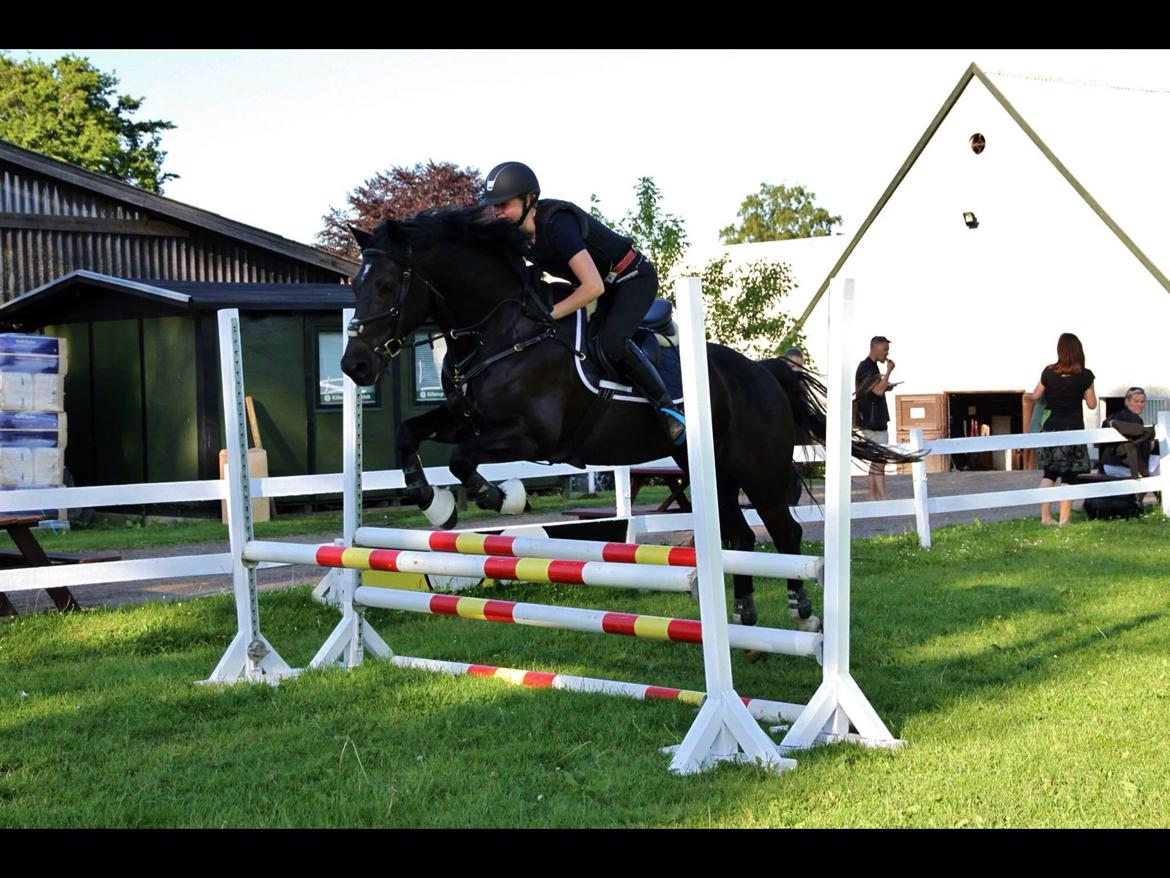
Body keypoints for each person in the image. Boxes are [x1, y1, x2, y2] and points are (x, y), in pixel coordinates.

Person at [479, 161, 685, 445]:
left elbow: (593, 286)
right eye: (494, 206)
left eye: (503, 204)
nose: (497, 212)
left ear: (530, 200)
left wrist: (551, 313)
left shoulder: (558, 224)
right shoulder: (518, 237)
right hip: (605, 288)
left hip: (632, 278)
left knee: (611, 343)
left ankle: (668, 410)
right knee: (584, 345)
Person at [1032, 333, 1096, 526]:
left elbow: (1035, 395)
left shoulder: (1048, 372)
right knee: (1069, 474)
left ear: (1060, 350)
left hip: (1051, 429)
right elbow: (1092, 404)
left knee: (1049, 473)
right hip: (1073, 429)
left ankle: (1045, 517)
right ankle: (1064, 519)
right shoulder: (1085, 375)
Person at [855, 336, 896, 500]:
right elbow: (878, 391)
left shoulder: (870, 367)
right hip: (872, 421)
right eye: (885, 350)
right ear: (875, 348)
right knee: (880, 460)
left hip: (872, 419)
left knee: (875, 460)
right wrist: (889, 372)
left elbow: (875, 390)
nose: (886, 354)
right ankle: (883, 498)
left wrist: (886, 384)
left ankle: (873, 497)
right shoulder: (867, 368)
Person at [1101, 387, 1160, 479]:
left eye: (1142, 402)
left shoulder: (1112, 417)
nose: (1139, 405)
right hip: (1122, 465)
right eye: (1136, 401)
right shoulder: (1135, 420)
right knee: (1164, 462)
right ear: (1127, 402)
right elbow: (1137, 448)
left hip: (1106, 466)